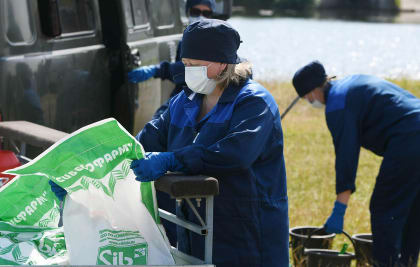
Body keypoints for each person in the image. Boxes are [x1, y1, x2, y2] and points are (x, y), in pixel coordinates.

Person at [130, 19, 289, 267]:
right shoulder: (184, 102)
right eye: (185, 64)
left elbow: (235, 154)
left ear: (223, 62)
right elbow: (144, 141)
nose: (188, 71)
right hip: (196, 228)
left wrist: (173, 159)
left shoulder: (254, 103)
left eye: (195, 65)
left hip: (247, 230)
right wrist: (94, 170)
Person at [292, 61, 420, 267]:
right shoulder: (349, 84)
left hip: (409, 139)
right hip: (414, 129)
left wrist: (339, 209)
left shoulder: (337, 105)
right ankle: (408, 261)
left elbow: (346, 156)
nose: (309, 101)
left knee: (384, 207)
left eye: (306, 97)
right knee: (412, 206)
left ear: (312, 92)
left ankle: (385, 264)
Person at [127, 0, 216, 119]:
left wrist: (158, 70)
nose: (200, 17)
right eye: (195, 12)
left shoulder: (216, 41)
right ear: (187, 12)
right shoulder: (187, 37)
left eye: (206, 13)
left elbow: (195, 70)